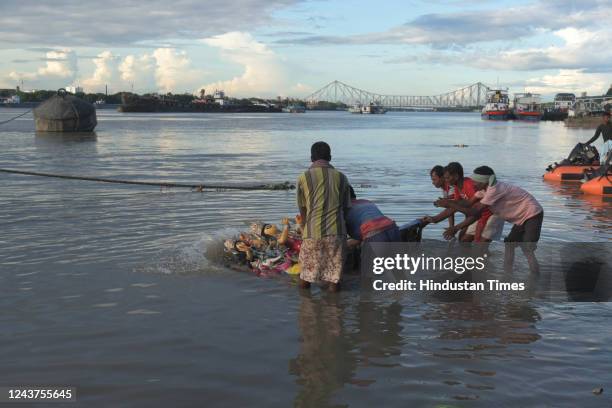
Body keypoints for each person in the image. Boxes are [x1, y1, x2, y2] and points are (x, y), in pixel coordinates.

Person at [435, 166, 543, 273]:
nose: (473, 184)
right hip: (520, 219)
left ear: (484, 182)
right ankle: (507, 274)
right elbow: (467, 203)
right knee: (509, 244)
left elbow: (474, 212)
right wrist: (449, 203)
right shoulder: (483, 190)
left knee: (527, 249)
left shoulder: (494, 190)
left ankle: (535, 279)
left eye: (476, 182)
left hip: (532, 214)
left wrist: (449, 204)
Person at [296, 141, 351, 292]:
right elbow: (346, 208)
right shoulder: (341, 177)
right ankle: (334, 311)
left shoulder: (303, 178)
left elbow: (303, 208)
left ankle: (305, 308)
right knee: (334, 278)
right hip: (336, 232)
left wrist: (304, 226)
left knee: (305, 276)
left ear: (311, 158)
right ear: (330, 157)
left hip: (312, 232)